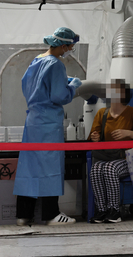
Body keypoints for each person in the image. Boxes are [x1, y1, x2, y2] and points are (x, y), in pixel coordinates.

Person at [14, 27, 82, 226]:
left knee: (30, 168)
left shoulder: (36, 61)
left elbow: (31, 86)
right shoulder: (56, 64)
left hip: (33, 121)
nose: (70, 50)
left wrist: (62, 82)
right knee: (50, 167)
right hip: (48, 123)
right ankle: (51, 215)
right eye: (70, 46)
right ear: (63, 45)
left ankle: (23, 215)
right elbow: (59, 96)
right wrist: (72, 86)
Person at [88, 79, 133, 223]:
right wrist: (95, 137)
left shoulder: (132, 113)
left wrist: (129, 133)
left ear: (124, 94)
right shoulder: (101, 113)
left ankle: (114, 210)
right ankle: (101, 209)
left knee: (110, 169)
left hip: (127, 159)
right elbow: (93, 136)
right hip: (106, 156)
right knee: (96, 169)